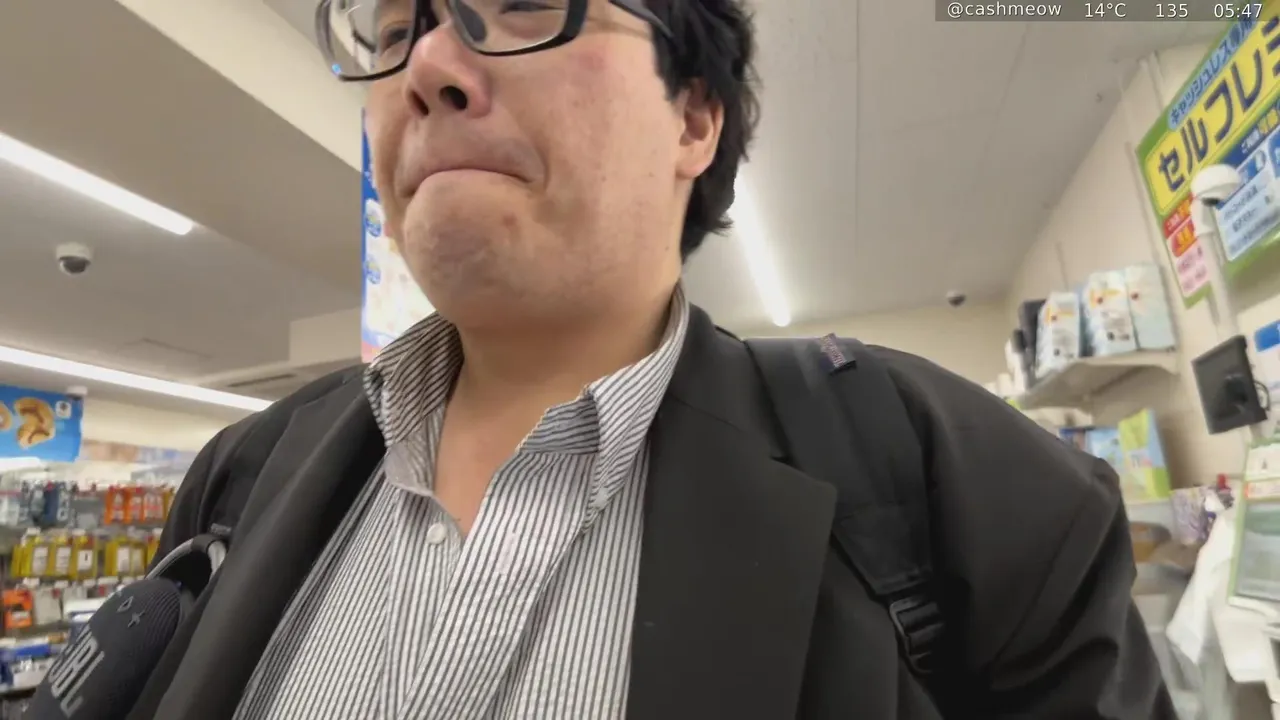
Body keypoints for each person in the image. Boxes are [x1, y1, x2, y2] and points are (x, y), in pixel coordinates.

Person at [132, 0, 1175, 717]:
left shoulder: (968, 494)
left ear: (695, 118)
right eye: (397, 29)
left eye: (525, 3)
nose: (427, 69)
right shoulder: (240, 481)